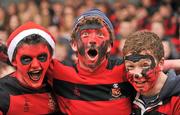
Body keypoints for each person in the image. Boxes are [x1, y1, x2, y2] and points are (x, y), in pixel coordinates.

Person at [48, 9, 134, 115]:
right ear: (74, 44)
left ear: (109, 46)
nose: (92, 40)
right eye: (85, 35)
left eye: (100, 35)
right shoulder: (58, 72)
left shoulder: (127, 69)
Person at [0, 22, 59, 114]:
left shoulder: (59, 83)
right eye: (27, 59)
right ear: (14, 61)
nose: (35, 65)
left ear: (50, 58)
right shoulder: (3, 92)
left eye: (41, 57)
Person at [123, 30, 180, 115]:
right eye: (131, 66)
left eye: (145, 65)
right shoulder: (125, 92)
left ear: (161, 63)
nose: (137, 74)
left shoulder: (177, 99)